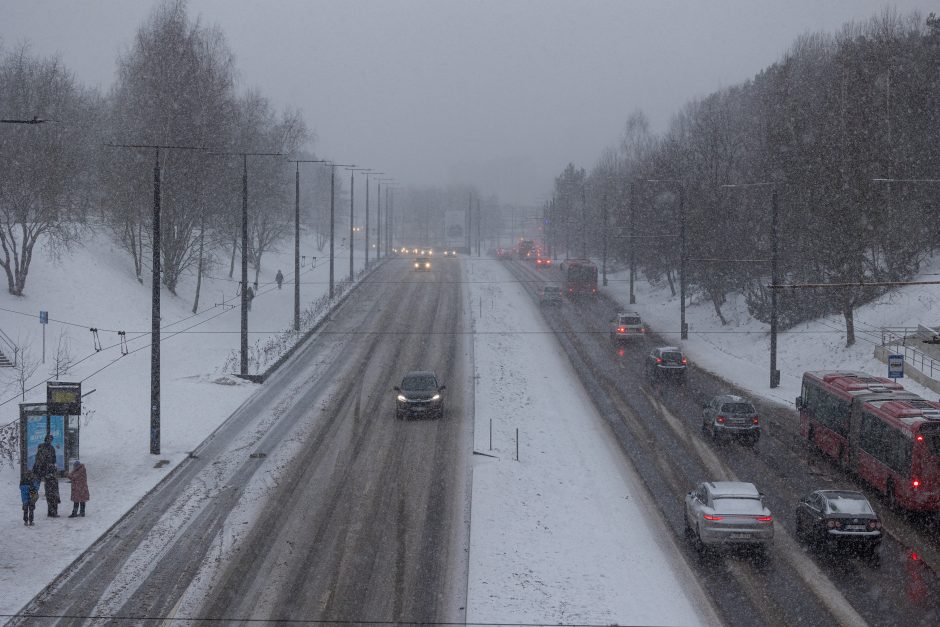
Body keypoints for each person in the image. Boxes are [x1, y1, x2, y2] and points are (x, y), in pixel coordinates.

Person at [32, 434, 60, 517]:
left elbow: (53, 459)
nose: (50, 440)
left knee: (50, 493)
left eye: (51, 439)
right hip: (44, 471)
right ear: (46, 439)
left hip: (46, 471)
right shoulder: (43, 447)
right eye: (49, 439)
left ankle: (51, 511)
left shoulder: (50, 448)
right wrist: (46, 466)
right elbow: (40, 459)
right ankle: (51, 511)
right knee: (49, 493)